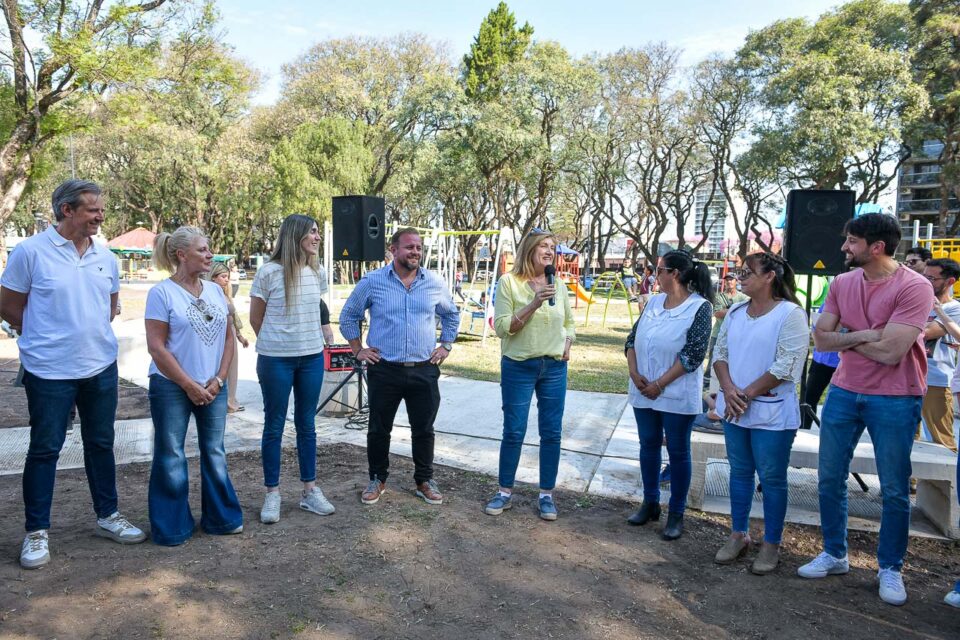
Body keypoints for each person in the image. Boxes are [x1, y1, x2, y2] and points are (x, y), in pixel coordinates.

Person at [0, 179, 145, 569]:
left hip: (100, 366)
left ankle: (108, 516)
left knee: (101, 443)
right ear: (67, 210)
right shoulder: (31, 252)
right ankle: (36, 533)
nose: (100, 216)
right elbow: (10, 307)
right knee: (45, 449)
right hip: (49, 371)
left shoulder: (106, 255)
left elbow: (110, 305)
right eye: (93, 210)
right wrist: (46, 340)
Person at [798, 213, 933, 607]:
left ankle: (890, 567)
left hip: (896, 396)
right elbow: (819, 336)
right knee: (828, 478)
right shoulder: (842, 282)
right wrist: (864, 335)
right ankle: (835, 554)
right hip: (843, 391)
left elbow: (892, 353)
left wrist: (843, 339)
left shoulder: (915, 287)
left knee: (893, 489)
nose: (844, 247)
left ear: (876, 247)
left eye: (852, 241)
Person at [340, 227, 460, 506]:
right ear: (393, 250)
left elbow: (451, 314)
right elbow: (349, 315)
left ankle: (424, 480)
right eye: (409, 247)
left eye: (418, 247)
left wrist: (446, 345)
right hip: (385, 369)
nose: (415, 252)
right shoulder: (373, 281)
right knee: (379, 428)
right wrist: (358, 350)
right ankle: (377, 478)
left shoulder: (434, 282)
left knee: (424, 429)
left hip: (424, 368)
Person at [712, 253, 809, 574]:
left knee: (771, 478)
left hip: (771, 413)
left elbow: (787, 364)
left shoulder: (790, 314)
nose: (740, 277)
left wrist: (748, 393)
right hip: (735, 407)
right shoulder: (737, 312)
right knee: (739, 473)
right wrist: (728, 390)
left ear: (769, 277)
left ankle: (771, 543)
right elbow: (720, 353)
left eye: (748, 272)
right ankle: (739, 534)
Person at [145, 227, 243, 545]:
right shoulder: (162, 294)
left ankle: (221, 518)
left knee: (214, 451)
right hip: (171, 386)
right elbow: (157, 348)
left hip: (213, 385)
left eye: (209, 248)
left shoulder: (215, 291)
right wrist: (188, 385)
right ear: (181, 255)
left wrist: (218, 379)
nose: (210, 255)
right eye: (202, 250)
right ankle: (171, 526)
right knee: (171, 453)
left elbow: (229, 338)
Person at [484, 230, 575, 521]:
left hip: (554, 369)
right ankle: (504, 492)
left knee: (551, 433)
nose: (550, 251)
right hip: (518, 367)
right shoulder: (509, 283)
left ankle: (546, 495)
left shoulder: (557, 284)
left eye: (552, 247)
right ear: (529, 250)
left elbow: (569, 323)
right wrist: (534, 302)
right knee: (514, 430)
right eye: (544, 246)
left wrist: (567, 344)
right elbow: (501, 328)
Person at [250, 214, 334, 524]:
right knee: (274, 425)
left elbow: (316, 312)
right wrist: (277, 343)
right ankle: (272, 494)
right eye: (312, 232)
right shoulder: (269, 272)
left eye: (317, 232)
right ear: (295, 235)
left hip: (311, 359)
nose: (317, 237)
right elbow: (255, 319)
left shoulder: (318, 272)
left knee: (307, 424)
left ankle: (309, 491)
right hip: (275, 360)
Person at [624, 250, 713, 540]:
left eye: (658, 269)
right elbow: (631, 339)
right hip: (643, 389)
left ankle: (676, 513)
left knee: (677, 451)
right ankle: (650, 502)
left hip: (675, 392)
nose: (654, 274)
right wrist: (635, 372)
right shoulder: (653, 303)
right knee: (648, 444)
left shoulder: (700, 308)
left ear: (674, 273)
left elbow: (693, 355)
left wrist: (659, 384)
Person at [918, 258, 960, 453]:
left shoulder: (954, 309)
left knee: (942, 442)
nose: (926, 282)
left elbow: (927, 332)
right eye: (924, 276)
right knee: (908, 438)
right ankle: (912, 483)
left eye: (932, 278)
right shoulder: (917, 302)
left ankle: (947, 483)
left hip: (936, 380)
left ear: (950, 281)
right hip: (908, 378)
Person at [209, 262, 250, 413]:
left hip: (231, 332)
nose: (227, 280)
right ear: (213, 278)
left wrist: (240, 336)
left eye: (228, 277)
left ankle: (230, 400)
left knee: (232, 367)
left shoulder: (226, 294)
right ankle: (220, 400)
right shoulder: (208, 293)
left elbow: (234, 316)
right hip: (217, 335)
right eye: (223, 276)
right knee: (219, 368)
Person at [704, 273, 748, 393]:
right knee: (713, 359)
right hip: (718, 333)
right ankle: (707, 383)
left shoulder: (743, 297)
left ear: (736, 281)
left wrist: (728, 311)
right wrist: (735, 309)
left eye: (731, 279)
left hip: (737, 335)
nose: (729, 282)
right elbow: (717, 313)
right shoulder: (719, 297)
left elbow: (746, 312)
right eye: (727, 280)